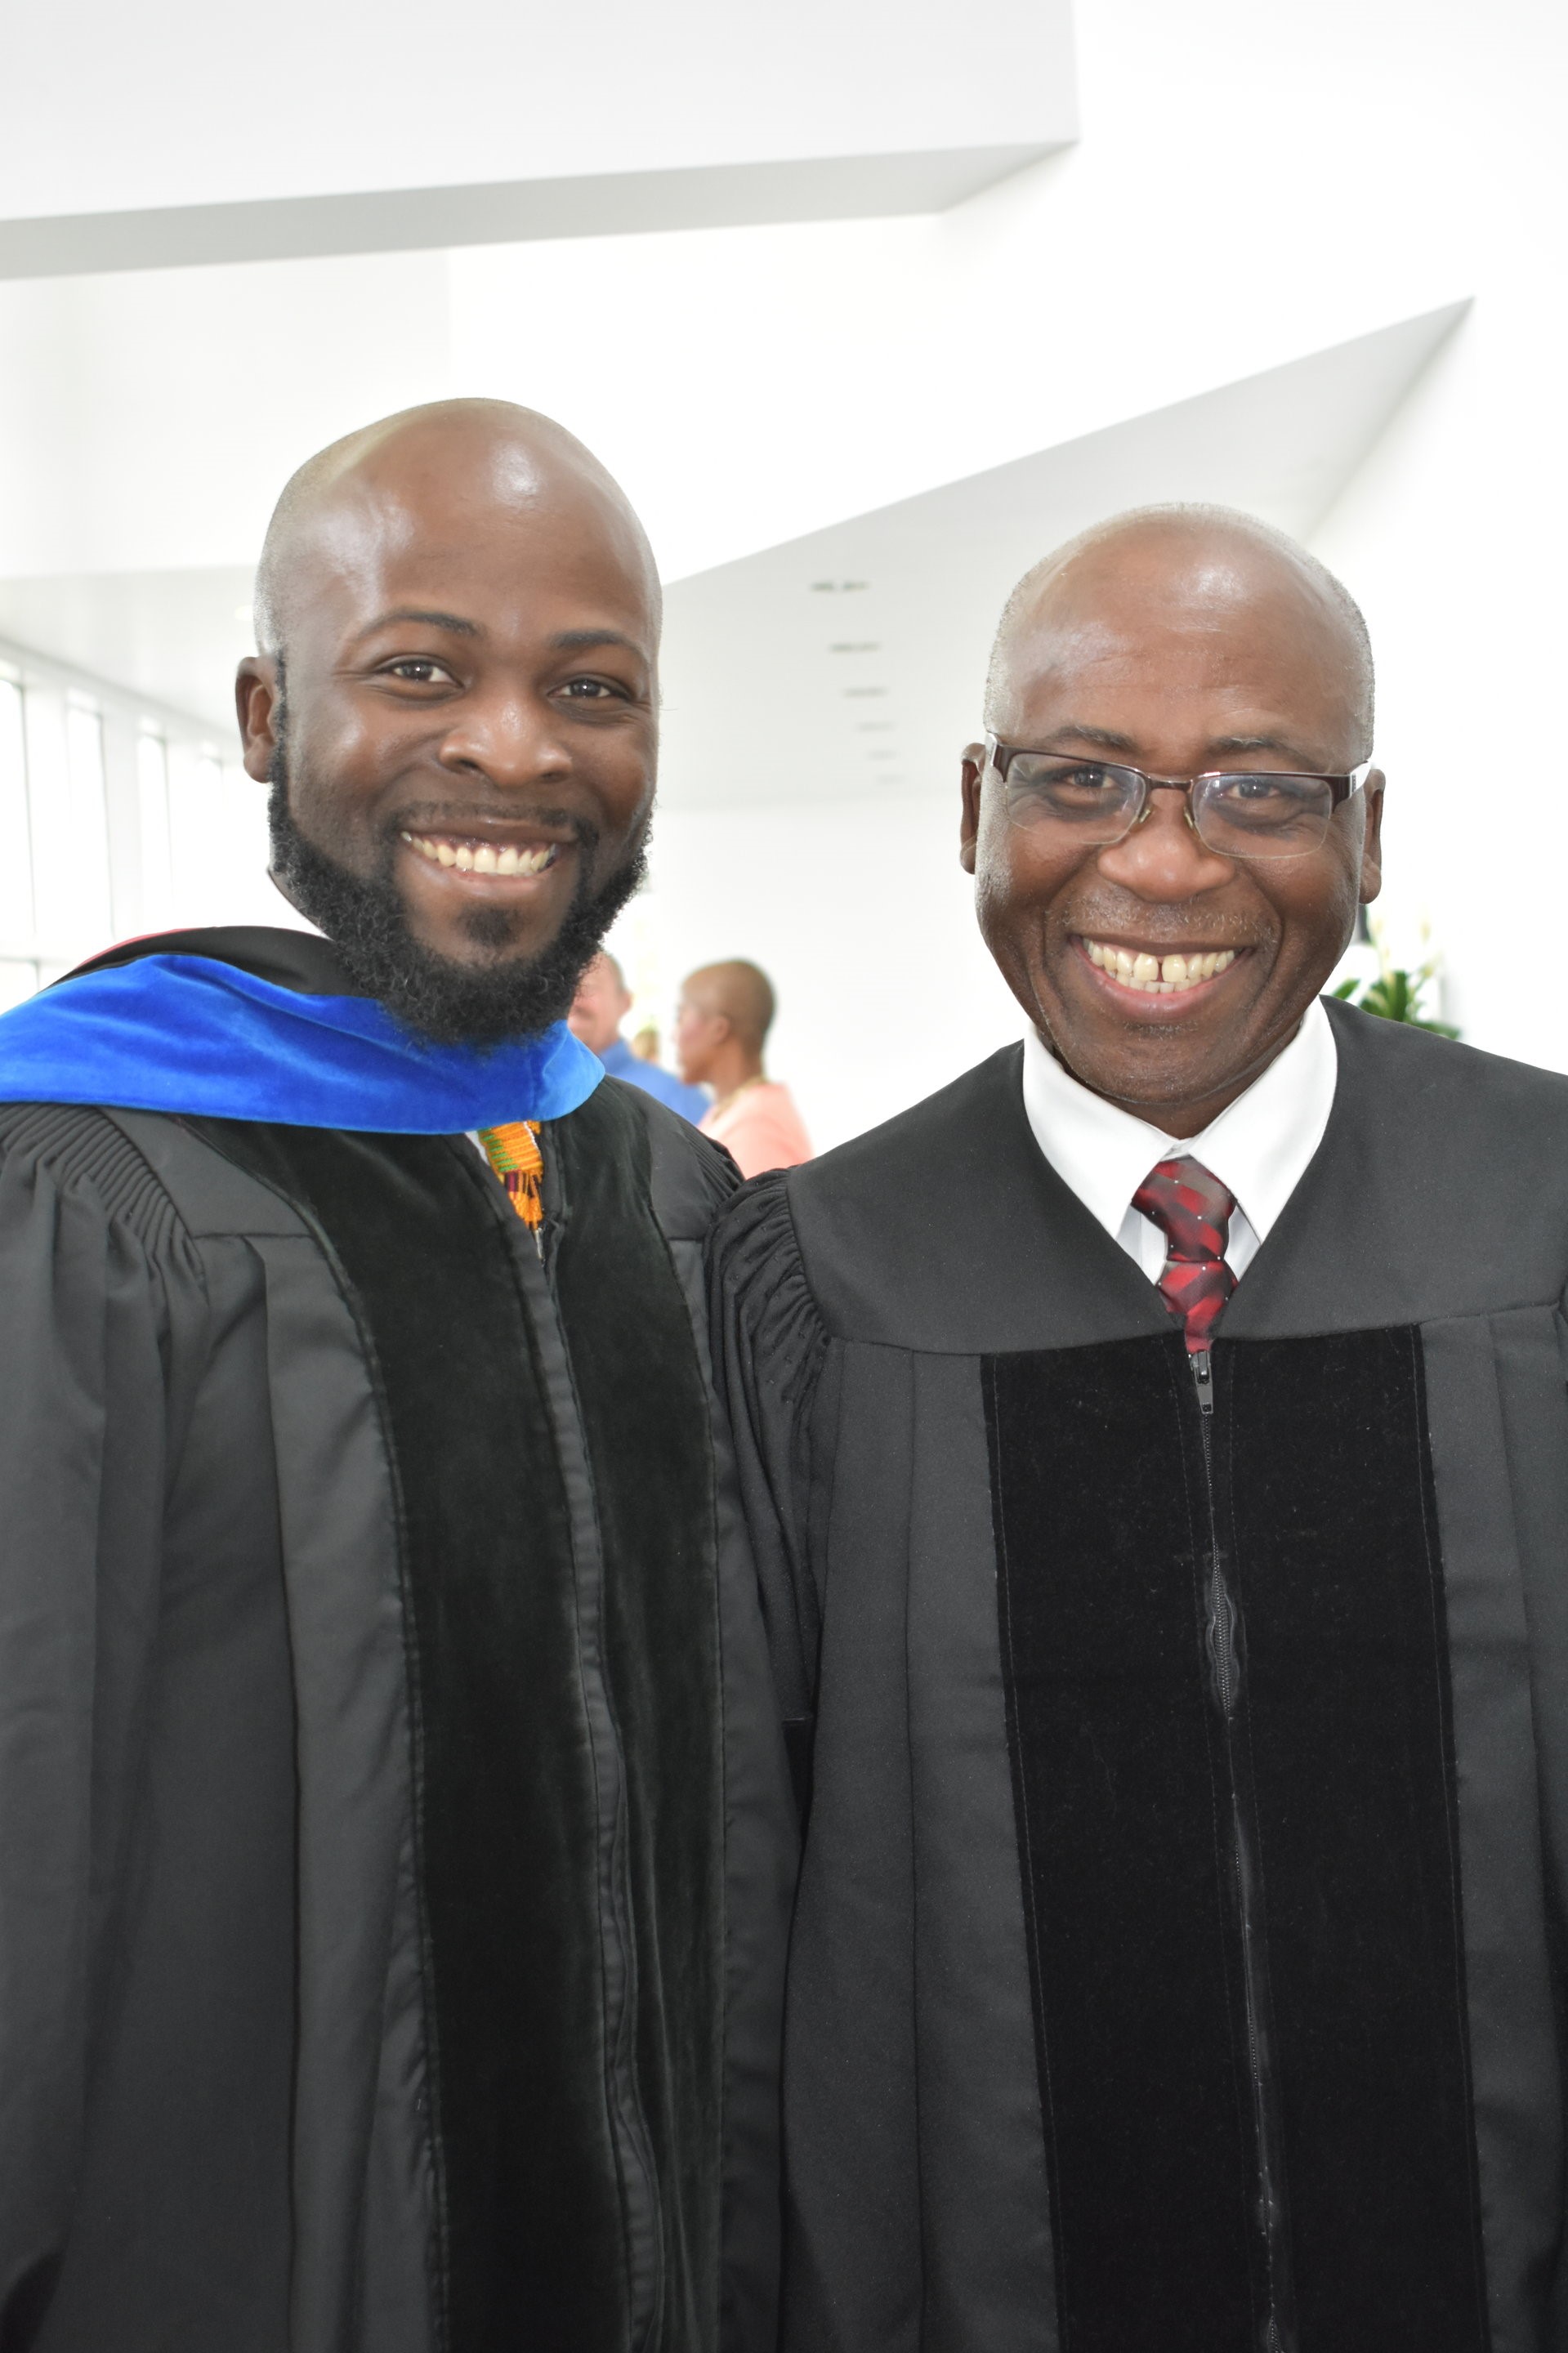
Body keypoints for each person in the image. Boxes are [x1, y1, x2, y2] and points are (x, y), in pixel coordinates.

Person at [711, 504, 1568, 2351]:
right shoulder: (824, 1286)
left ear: (1366, 833)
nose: (1163, 864)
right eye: (1083, 775)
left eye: (1258, 788)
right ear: (972, 808)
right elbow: (736, 1954)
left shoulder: (1546, 1218)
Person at [0, 399, 793, 2353]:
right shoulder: (82, 1193)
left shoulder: (668, 1191)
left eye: (588, 685)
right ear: (268, 715)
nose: (513, 745)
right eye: (419, 669)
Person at [677, 959, 811, 1178]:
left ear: (718, 1029)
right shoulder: (733, 1112)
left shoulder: (759, 1128)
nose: (674, 1036)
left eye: (680, 1017)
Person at [569, 948, 709, 1121]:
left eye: (587, 988)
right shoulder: (537, 1094)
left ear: (625, 1002)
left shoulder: (674, 1097)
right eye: (562, 988)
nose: (573, 1001)